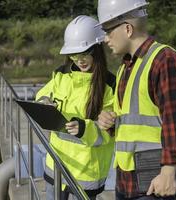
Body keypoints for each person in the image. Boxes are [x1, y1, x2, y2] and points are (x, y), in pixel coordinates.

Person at [96, 0, 176, 199]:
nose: (105, 39)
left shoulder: (166, 60)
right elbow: (134, 122)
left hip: (154, 184)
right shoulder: (125, 68)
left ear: (128, 29)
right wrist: (110, 121)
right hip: (127, 181)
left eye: (108, 30)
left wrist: (168, 172)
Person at [35, 15, 116, 199]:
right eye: (74, 54)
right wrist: (44, 102)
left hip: (86, 173)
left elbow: (109, 131)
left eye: (84, 53)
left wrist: (84, 128)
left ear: (97, 48)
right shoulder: (61, 75)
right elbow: (42, 93)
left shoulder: (110, 86)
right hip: (56, 164)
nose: (79, 60)